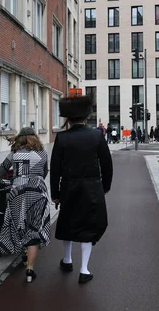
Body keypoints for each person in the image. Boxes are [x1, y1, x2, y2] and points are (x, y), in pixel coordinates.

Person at [50, 96, 113, 285]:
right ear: (86, 117)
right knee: (89, 225)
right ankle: (84, 269)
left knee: (68, 222)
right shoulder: (96, 135)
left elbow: (55, 169)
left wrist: (56, 194)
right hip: (92, 187)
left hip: (69, 186)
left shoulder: (61, 137)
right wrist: (105, 187)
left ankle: (67, 260)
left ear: (68, 119)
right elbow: (106, 164)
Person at [0, 127, 50, 283]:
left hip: (17, 192)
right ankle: (30, 269)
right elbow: (44, 172)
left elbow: (1, 171)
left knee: (19, 224)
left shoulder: (15, 153)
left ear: (20, 138)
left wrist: (8, 179)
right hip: (37, 192)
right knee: (34, 229)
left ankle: (24, 256)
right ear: (35, 137)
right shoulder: (42, 153)